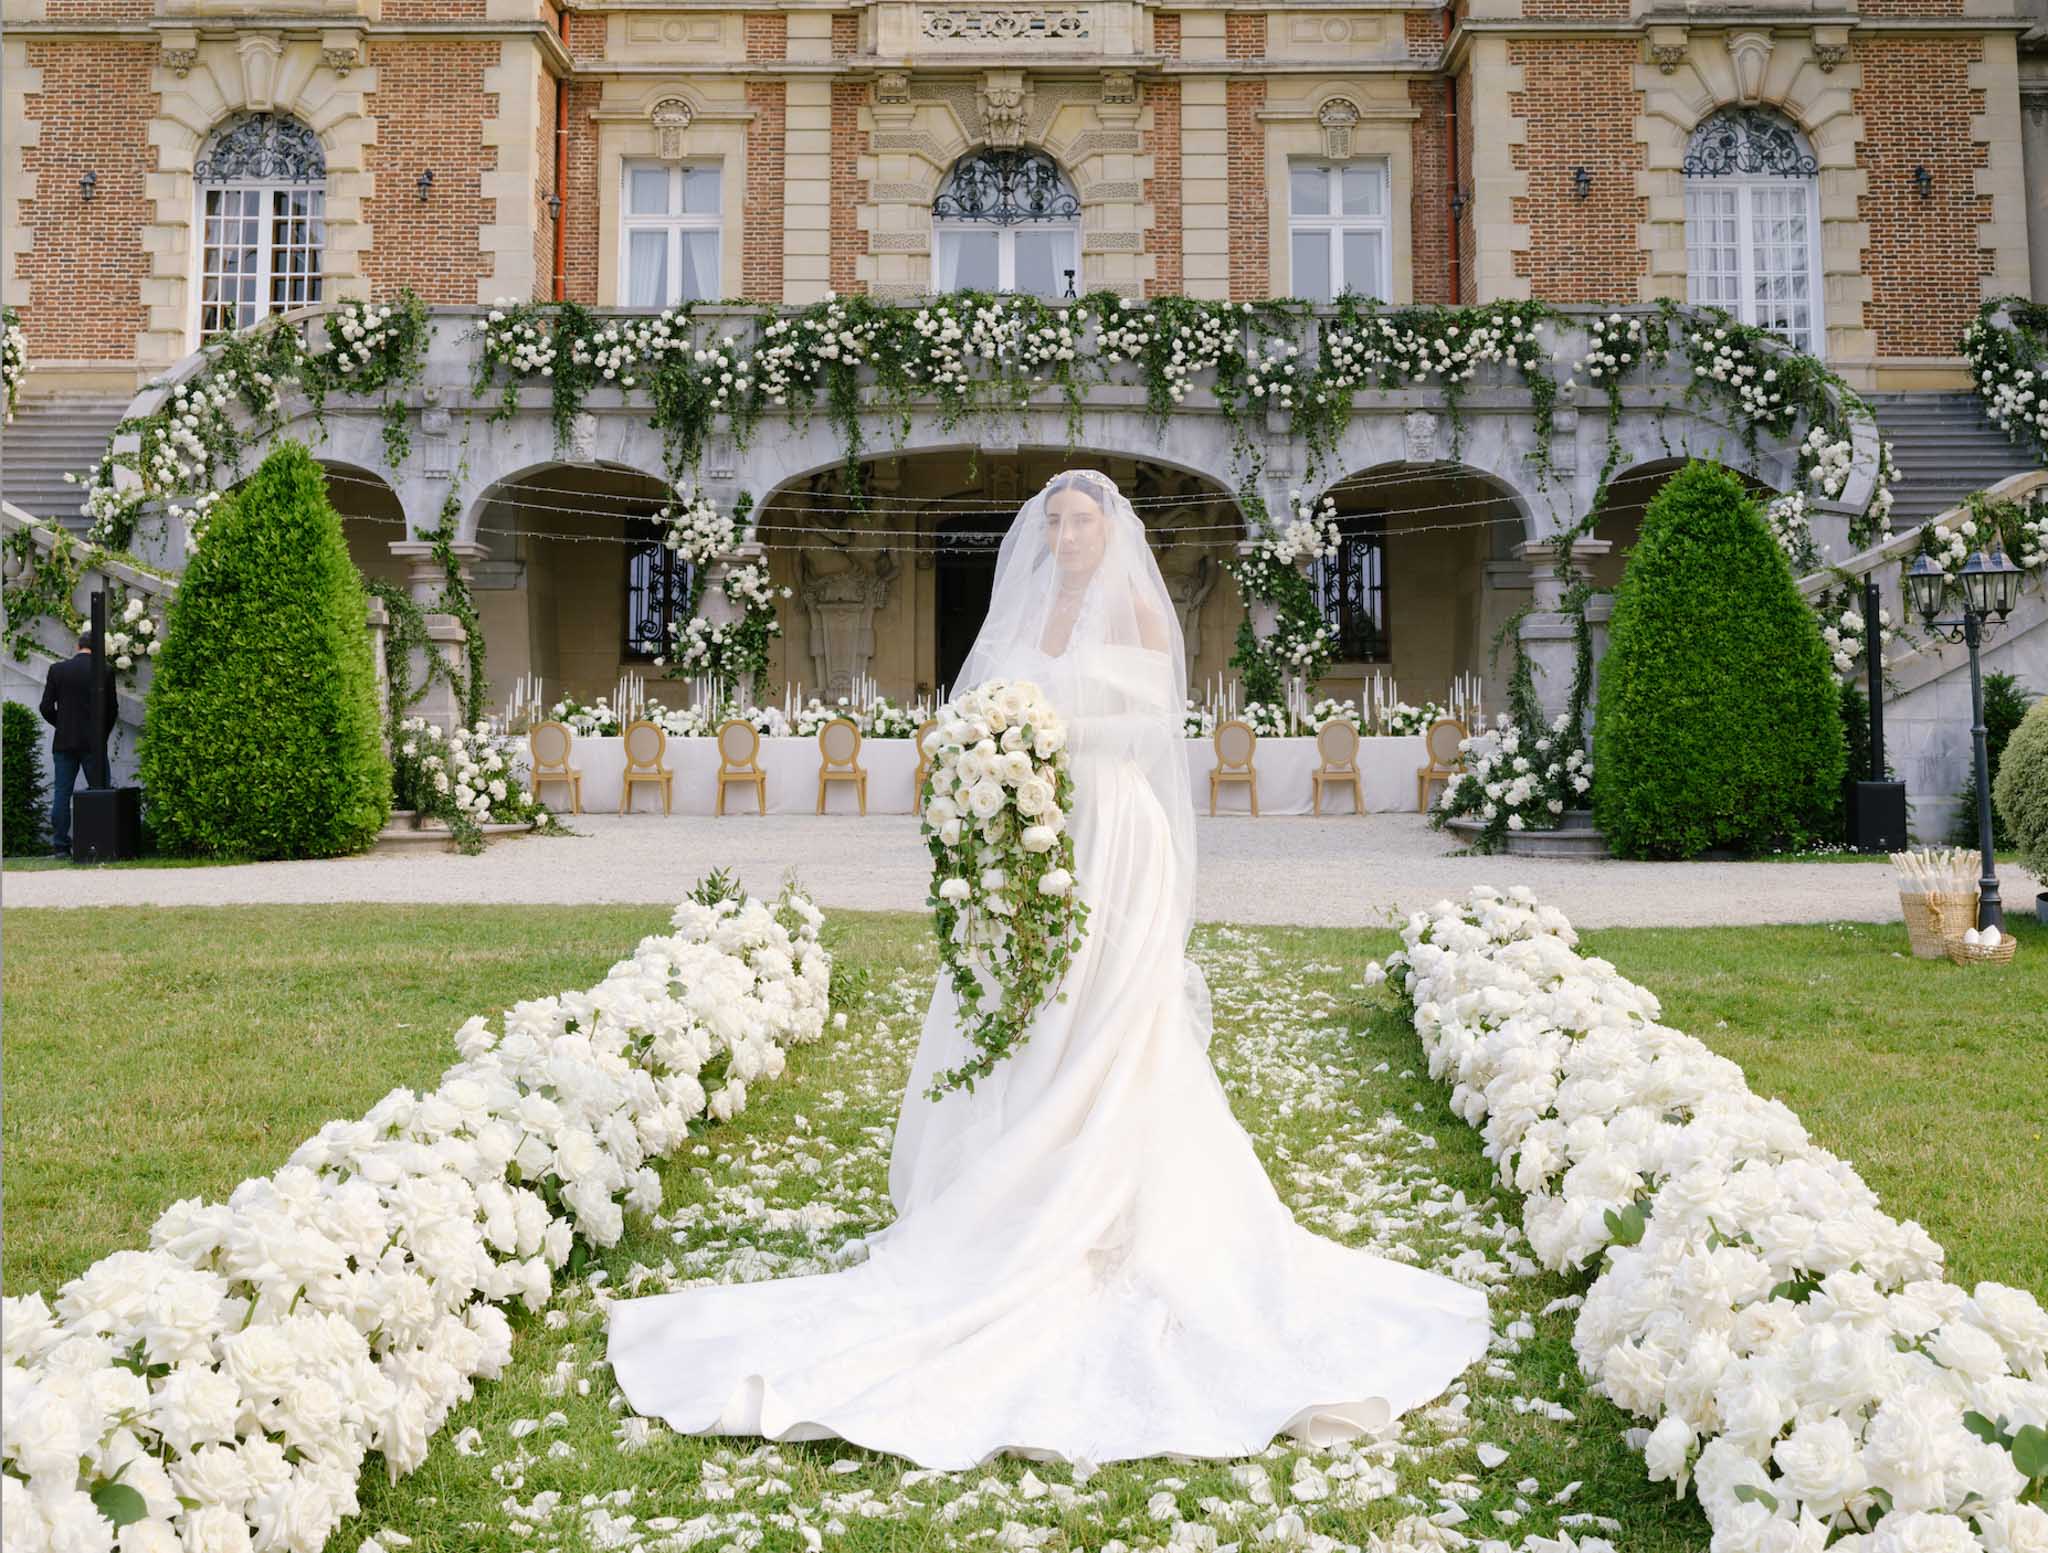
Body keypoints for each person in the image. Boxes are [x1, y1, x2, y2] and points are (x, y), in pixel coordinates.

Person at [605, 469, 1490, 1470]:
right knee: (1025, 1006)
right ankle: (1013, 1180)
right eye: (1056, 521)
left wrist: (1054, 739)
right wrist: (987, 751)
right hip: (1036, 831)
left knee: (1114, 1008)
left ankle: (1115, 1201)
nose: (1067, 534)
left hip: (1113, 823)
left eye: (1082, 521)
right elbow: (983, 703)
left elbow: (1156, 724)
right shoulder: (1024, 607)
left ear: (1109, 532)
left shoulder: (1143, 618)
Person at [38, 633, 116, 858]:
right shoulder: (105, 670)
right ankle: (102, 841)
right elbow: (112, 709)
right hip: (93, 742)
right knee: (100, 791)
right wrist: (101, 733)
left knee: (62, 794)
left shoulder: (57, 670)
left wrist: (61, 724)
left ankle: (61, 846)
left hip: (64, 741)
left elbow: (45, 707)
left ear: (78, 646)